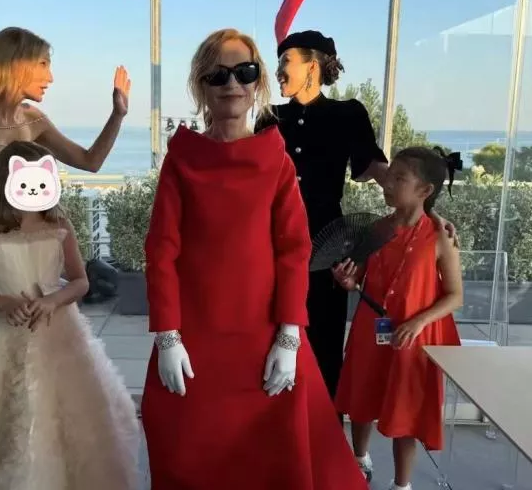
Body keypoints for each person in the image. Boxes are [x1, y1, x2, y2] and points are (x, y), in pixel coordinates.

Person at [140, 28, 368, 490]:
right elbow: (161, 250)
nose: (232, 83)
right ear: (201, 84)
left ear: (258, 80)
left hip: (265, 339)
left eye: (244, 72)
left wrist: (289, 336)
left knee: (273, 458)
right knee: (187, 451)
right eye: (217, 74)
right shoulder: (182, 158)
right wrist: (167, 336)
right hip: (194, 339)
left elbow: (293, 250)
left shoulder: (275, 158)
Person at [0, 26, 131, 475]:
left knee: (19, 355)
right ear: (15, 63)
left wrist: (118, 114)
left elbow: (90, 161)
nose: (50, 77)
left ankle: (11, 460)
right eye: (43, 64)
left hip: (21, 249)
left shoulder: (33, 118)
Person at [0, 141, 140, 490]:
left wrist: (54, 300)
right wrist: (6, 303)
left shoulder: (59, 224)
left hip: (58, 334)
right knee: (1, 421)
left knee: (64, 414)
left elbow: (80, 281)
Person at [255, 29, 457, 402]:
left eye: (286, 61)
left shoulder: (347, 114)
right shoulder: (269, 118)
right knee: (269, 336)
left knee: (323, 339)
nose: (278, 70)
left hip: (328, 245)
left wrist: (430, 215)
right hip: (272, 245)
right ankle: (274, 424)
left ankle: (323, 426)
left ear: (312, 66)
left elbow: (381, 172)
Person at [332, 146, 464, 489]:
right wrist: (347, 280)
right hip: (370, 330)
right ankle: (359, 458)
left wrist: (419, 321)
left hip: (411, 337)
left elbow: (455, 295)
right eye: (388, 176)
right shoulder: (376, 229)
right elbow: (357, 277)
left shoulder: (440, 237)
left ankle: (402, 484)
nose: (387, 184)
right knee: (362, 400)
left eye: (399, 179)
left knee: (406, 411)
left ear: (425, 190)